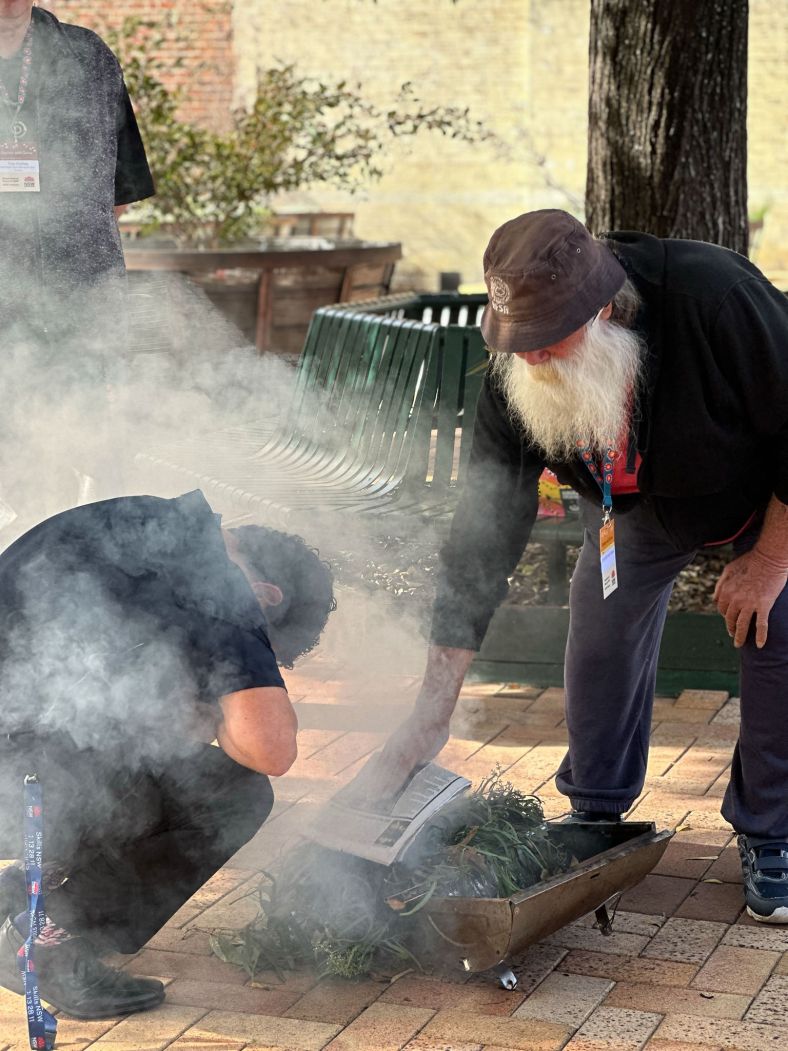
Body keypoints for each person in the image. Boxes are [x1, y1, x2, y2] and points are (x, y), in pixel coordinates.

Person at [352, 209, 788, 924]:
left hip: (768, 495)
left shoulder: (714, 298)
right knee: (600, 630)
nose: (530, 361)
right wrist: (432, 707)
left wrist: (770, 558)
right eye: (516, 343)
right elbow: (483, 529)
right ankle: (595, 810)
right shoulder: (516, 366)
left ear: (606, 309)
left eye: (546, 341)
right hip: (638, 507)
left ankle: (774, 830)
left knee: (775, 627)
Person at [0, 489, 335, 1018]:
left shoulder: (149, 530)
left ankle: (17, 897)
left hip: (22, 769)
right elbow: (271, 750)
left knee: (149, 755)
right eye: (269, 644)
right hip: (18, 786)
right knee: (233, 793)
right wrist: (219, 709)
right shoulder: (220, 584)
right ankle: (44, 944)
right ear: (266, 595)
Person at [0, 1, 155, 522]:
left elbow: (117, 191)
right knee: (16, 451)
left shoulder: (89, 57)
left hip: (82, 295)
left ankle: (75, 569)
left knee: (86, 441)